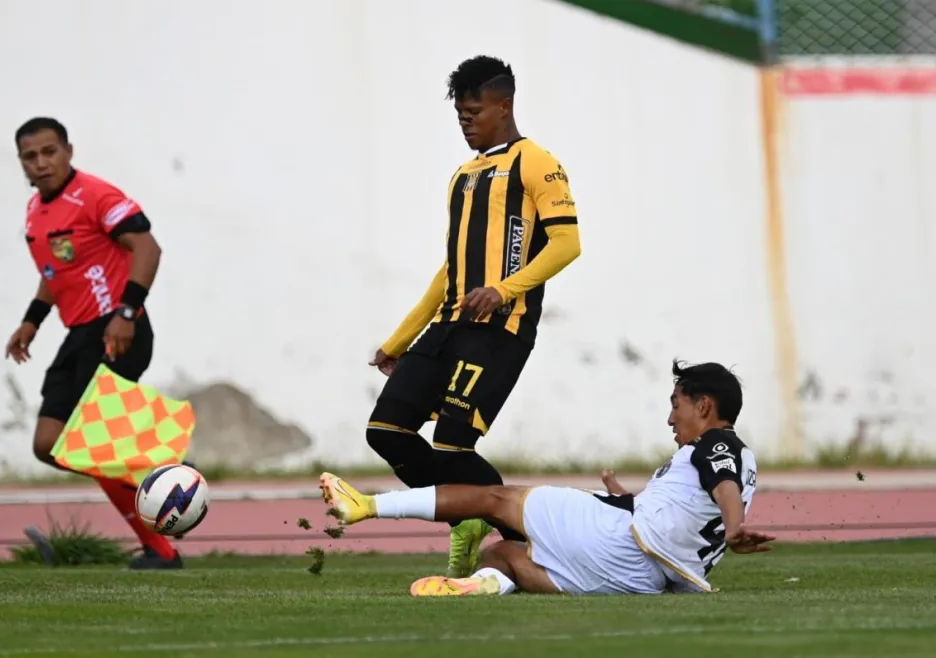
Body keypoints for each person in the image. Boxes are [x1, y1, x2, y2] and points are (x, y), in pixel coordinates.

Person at [365, 55, 582, 578]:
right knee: (386, 431)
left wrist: (504, 290)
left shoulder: (536, 162)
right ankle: (467, 517)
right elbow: (451, 271)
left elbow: (567, 243)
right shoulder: (461, 177)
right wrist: (400, 338)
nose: (466, 121)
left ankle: (530, 540)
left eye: (474, 111)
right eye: (460, 113)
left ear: (504, 106)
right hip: (446, 329)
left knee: (455, 443)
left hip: (500, 331)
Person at [325, 360, 774, 596]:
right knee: (505, 554)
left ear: (704, 406)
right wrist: (625, 496)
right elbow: (700, 501)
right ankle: (485, 586)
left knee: (495, 499)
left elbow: (723, 488)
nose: (670, 416)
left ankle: (365, 506)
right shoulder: (740, 456)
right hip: (646, 580)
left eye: (676, 403)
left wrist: (734, 529)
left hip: (621, 541)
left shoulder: (717, 445)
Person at [5, 117, 182, 570]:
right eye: (31, 156)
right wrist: (31, 321)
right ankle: (151, 477)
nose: (41, 163)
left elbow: (148, 248)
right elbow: (56, 272)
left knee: (90, 444)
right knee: (48, 444)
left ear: (69, 151)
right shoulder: (36, 211)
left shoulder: (97, 195)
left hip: (117, 330)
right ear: (22, 163)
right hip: (79, 335)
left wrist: (127, 313)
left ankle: (160, 549)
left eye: (50, 152)